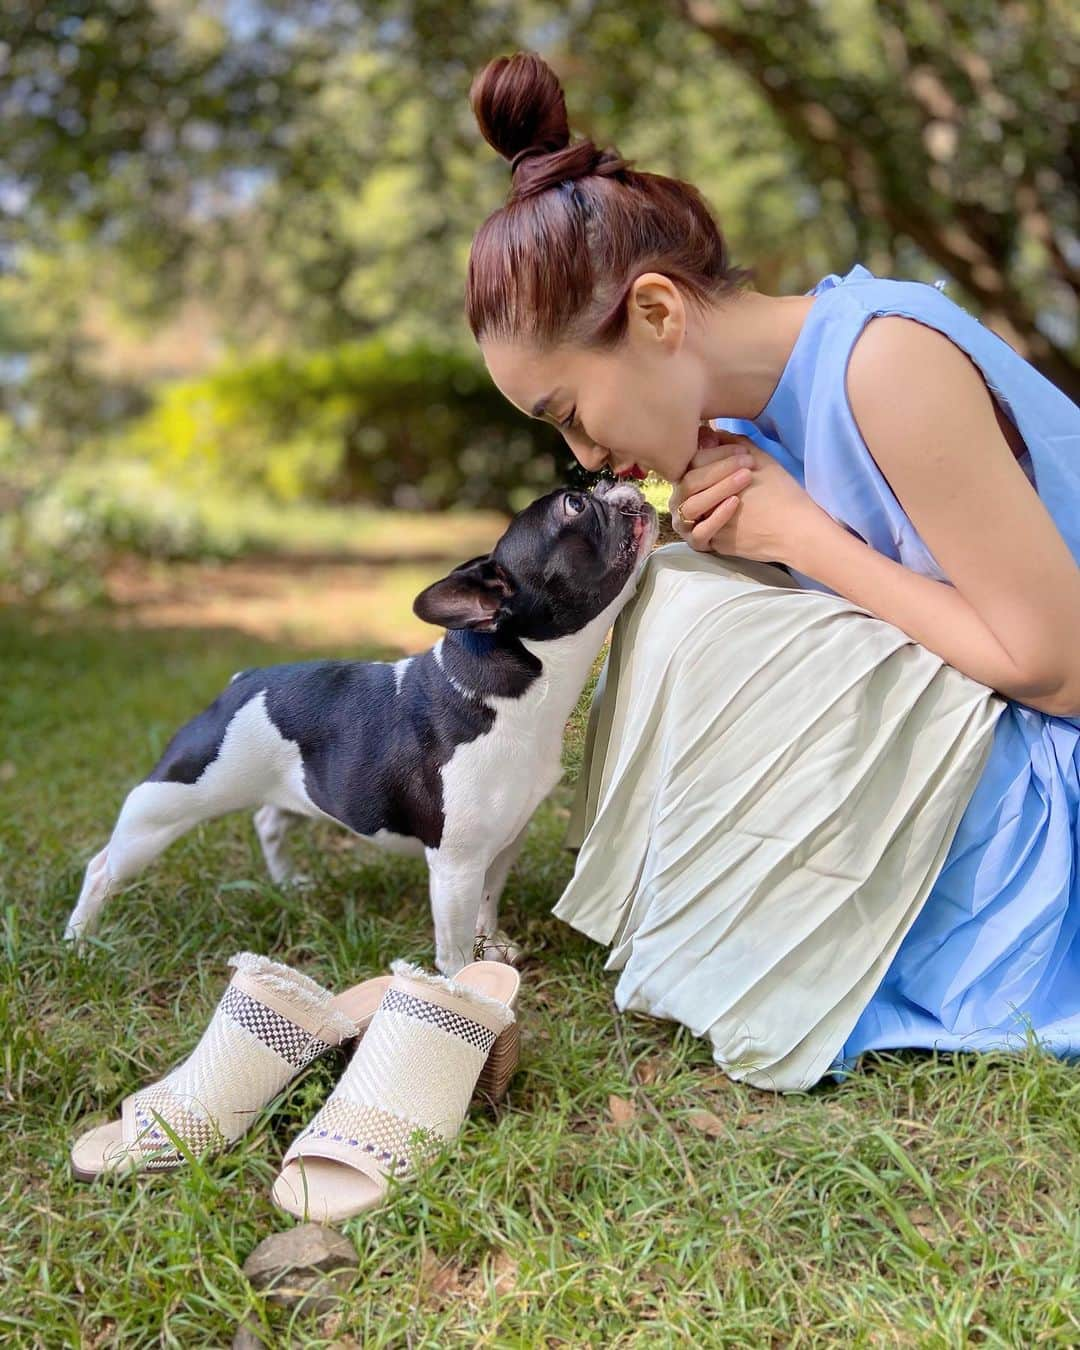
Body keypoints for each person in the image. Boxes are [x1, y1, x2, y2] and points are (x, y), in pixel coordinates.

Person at [463, 51, 1080, 1090]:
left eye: (569, 411)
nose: (578, 456)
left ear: (656, 315)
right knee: (676, 586)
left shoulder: (885, 361)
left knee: (703, 611)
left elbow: (1061, 670)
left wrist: (803, 539)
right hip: (1004, 752)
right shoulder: (746, 420)